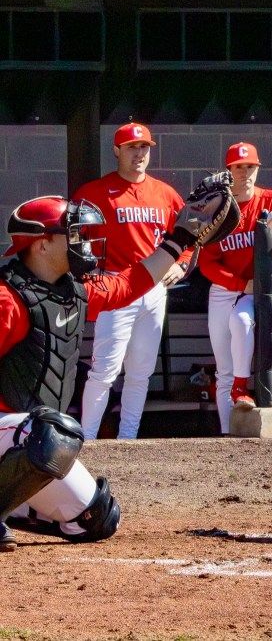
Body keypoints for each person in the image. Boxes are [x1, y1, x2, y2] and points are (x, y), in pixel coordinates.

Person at [0, 192, 215, 551]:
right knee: (53, 433)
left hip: (23, 438)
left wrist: (180, 239)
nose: (83, 242)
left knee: (97, 518)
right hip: (17, 432)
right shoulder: (8, 299)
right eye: (73, 234)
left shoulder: (70, 291)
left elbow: (130, 283)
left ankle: (11, 507)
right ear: (40, 244)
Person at [72, 122, 192, 440]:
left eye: (144, 148)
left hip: (153, 289)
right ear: (116, 151)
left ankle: (128, 440)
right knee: (104, 372)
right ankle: (87, 439)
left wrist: (181, 264)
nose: (139, 153)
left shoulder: (165, 193)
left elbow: (191, 236)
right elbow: (74, 240)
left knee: (140, 373)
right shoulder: (93, 192)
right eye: (131, 147)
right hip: (115, 287)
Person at [198, 143, 272, 431]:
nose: (245, 173)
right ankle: (228, 431)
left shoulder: (271, 200)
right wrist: (240, 283)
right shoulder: (219, 207)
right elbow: (207, 263)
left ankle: (242, 387)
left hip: (257, 291)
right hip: (225, 289)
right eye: (239, 167)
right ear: (228, 171)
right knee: (223, 369)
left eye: (250, 166)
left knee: (242, 322)